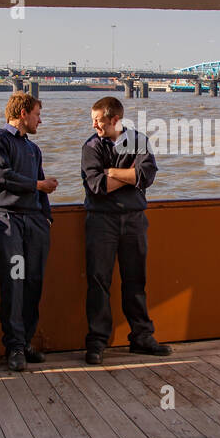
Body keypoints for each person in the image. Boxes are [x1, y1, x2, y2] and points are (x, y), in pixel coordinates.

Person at [81, 97, 171, 365]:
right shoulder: (90, 147)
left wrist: (111, 172)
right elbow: (96, 186)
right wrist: (126, 175)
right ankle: (97, 342)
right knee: (99, 282)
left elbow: (147, 176)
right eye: (93, 119)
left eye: (98, 120)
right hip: (101, 221)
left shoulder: (138, 140)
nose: (94, 124)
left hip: (134, 220)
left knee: (136, 280)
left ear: (114, 120)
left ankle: (142, 337)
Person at [0, 92, 57, 371]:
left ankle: (25, 342)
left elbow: (39, 184)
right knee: (14, 283)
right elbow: (2, 177)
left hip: (34, 221)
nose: (41, 120)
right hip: (7, 220)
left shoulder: (33, 149)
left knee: (33, 283)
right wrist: (38, 186)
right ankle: (13, 347)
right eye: (37, 114)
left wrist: (45, 217)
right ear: (23, 113)